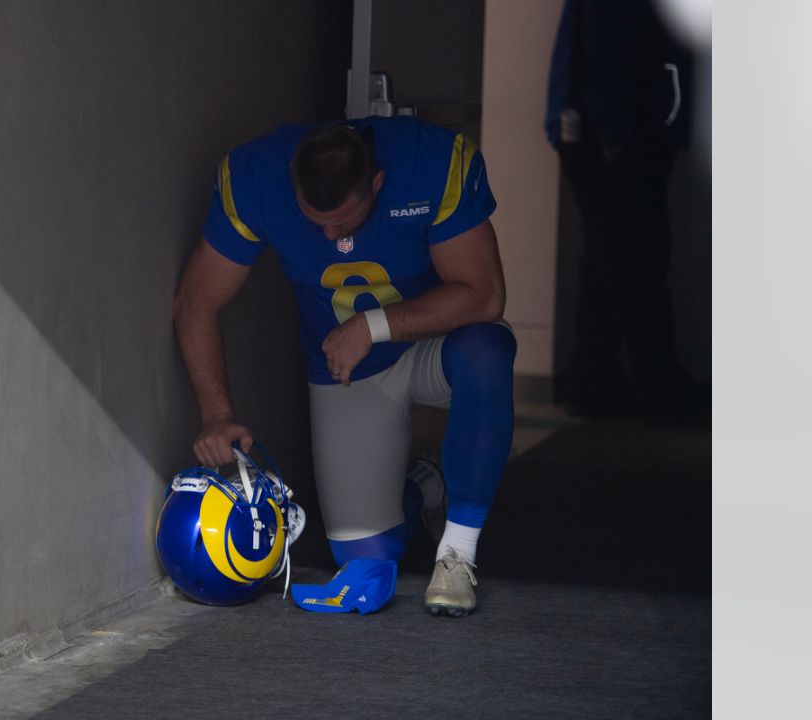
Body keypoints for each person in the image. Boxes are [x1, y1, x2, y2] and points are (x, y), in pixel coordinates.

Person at [173, 116, 516, 616]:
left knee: (487, 351)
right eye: (317, 221)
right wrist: (216, 414)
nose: (332, 235)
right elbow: (195, 302)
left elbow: (485, 296)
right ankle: (423, 486)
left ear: (378, 182)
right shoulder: (255, 177)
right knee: (365, 561)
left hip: (433, 347)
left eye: (345, 221)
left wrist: (373, 325)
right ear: (291, 177)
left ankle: (457, 553)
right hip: (346, 372)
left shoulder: (432, 163)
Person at [545, 0, 699, 417]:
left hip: (612, 130)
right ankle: (650, 379)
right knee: (636, 255)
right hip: (621, 133)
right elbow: (609, 47)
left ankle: (599, 376)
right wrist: (612, 130)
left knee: (613, 254)